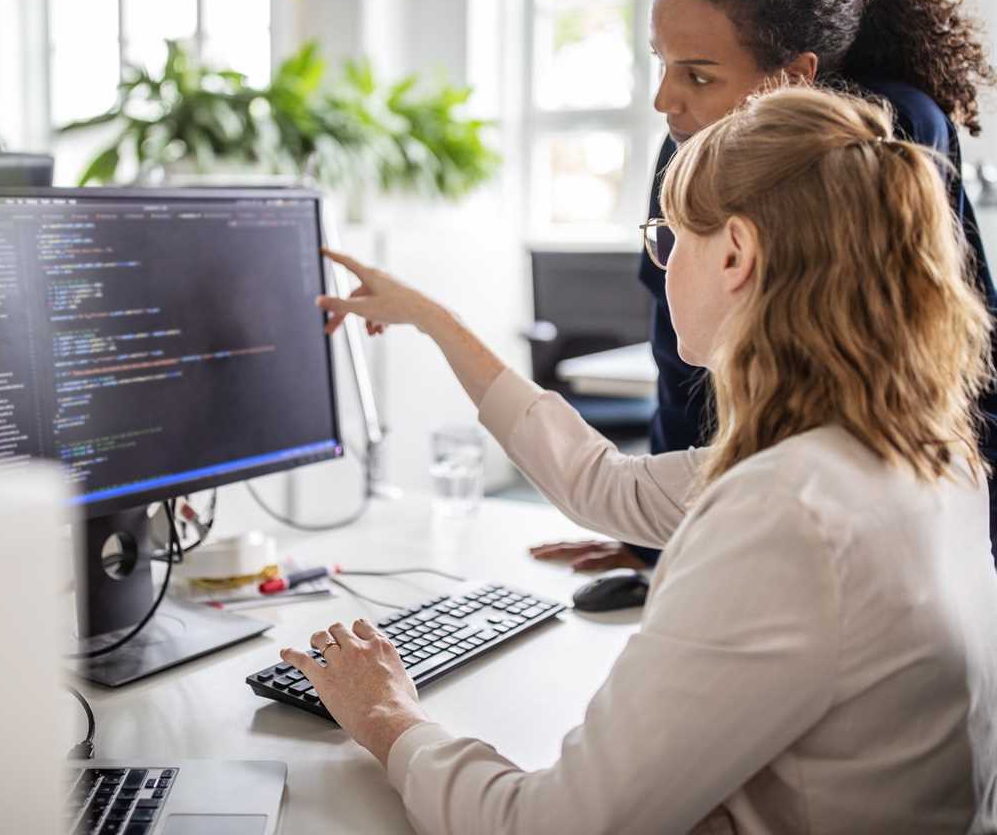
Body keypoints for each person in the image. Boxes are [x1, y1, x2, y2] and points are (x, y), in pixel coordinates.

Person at [281, 86, 997, 833]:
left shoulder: (788, 513)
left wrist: (389, 719)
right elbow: (604, 484)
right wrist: (436, 320)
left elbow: (552, 826)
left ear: (735, 254)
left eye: (669, 240)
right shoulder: (917, 454)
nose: (660, 268)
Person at [530, 0, 997, 577]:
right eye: (662, 61)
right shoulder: (688, 145)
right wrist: (659, 542)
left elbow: (959, 369)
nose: (666, 100)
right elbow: (680, 366)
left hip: (890, 521)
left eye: (698, 74)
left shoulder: (892, 138)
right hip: (756, 515)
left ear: (796, 75)